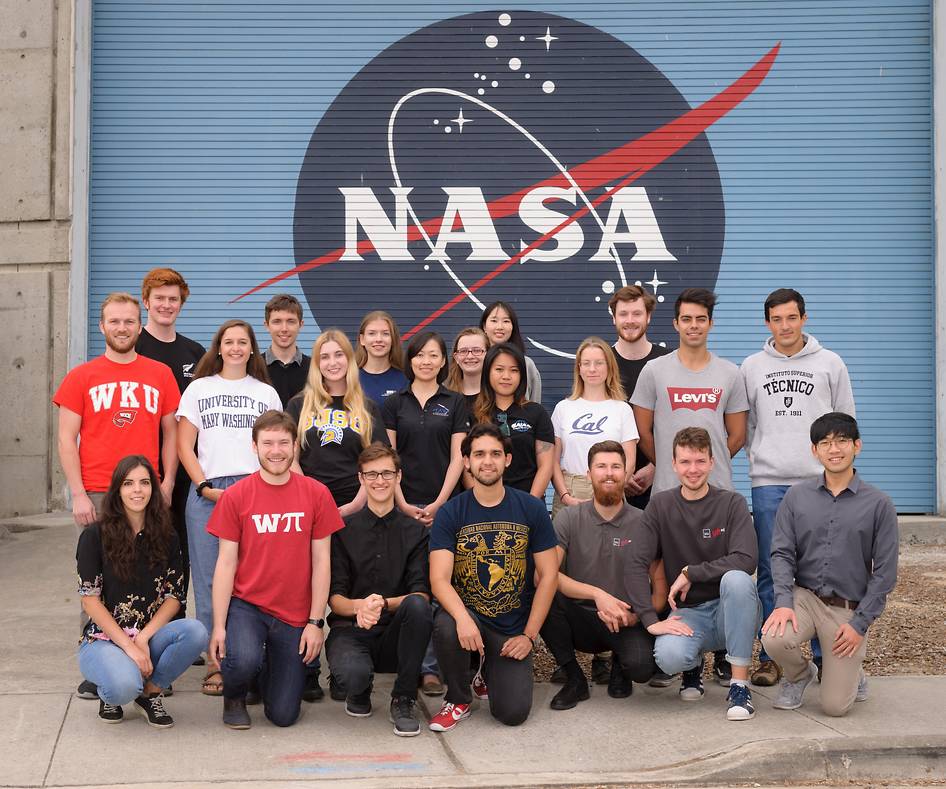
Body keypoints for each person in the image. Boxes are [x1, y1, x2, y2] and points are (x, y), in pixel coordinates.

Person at [631, 287, 749, 685]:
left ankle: (724, 655)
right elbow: (642, 429)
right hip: (669, 489)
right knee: (666, 571)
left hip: (716, 491)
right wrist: (671, 466)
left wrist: (706, 467)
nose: (693, 325)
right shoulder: (655, 371)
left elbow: (736, 435)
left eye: (701, 319)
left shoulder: (730, 373)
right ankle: (687, 652)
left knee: (725, 571)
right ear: (676, 322)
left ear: (710, 323)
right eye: (686, 319)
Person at [741, 288, 856, 687]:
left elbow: (845, 423)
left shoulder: (830, 363)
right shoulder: (752, 366)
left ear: (804, 318)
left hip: (819, 483)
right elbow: (748, 425)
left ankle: (826, 657)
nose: (785, 326)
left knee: (825, 571)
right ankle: (770, 654)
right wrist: (761, 458)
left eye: (792, 318)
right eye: (777, 319)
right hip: (770, 483)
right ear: (767, 322)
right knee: (774, 572)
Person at [208, 410, 344, 729]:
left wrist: (315, 622)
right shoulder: (236, 496)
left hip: (293, 613)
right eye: (267, 443)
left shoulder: (316, 493)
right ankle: (236, 693)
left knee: (283, 716)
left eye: (284, 442)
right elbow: (226, 563)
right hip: (248, 605)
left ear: (295, 446)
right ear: (254, 446)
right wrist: (219, 626)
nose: (276, 450)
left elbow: (323, 561)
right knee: (242, 659)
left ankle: (264, 669)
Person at [761, 413, 897, 717]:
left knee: (835, 707)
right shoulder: (797, 497)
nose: (834, 449)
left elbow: (885, 574)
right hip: (805, 598)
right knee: (773, 637)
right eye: (825, 442)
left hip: (846, 609)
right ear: (814, 451)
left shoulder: (879, 504)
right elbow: (781, 553)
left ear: (857, 446)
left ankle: (853, 673)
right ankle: (799, 675)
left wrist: (859, 625)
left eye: (842, 441)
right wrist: (783, 602)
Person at [624, 427, 761, 722]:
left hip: (729, 610)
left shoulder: (731, 503)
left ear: (712, 462)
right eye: (685, 462)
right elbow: (636, 562)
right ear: (673, 465)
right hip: (689, 613)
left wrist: (692, 572)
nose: (693, 469)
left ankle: (739, 686)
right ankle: (692, 667)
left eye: (700, 461)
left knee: (737, 580)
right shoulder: (661, 505)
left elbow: (747, 559)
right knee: (668, 656)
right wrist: (650, 620)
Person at [428, 423, 559, 730]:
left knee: (512, 714)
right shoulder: (451, 512)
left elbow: (550, 575)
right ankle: (458, 698)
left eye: (495, 454)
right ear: (467, 462)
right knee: (446, 623)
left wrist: (528, 636)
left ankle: (485, 672)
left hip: (510, 627)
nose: (488, 461)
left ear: (507, 460)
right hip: (469, 617)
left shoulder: (530, 508)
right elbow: (439, 579)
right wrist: (462, 618)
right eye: (479, 454)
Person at [176, 319, 281, 695]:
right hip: (209, 492)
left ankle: (254, 657)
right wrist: (203, 485)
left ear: (253, 349)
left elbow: (275, 446)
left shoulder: (266, 393)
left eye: (243, 342)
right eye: (229, 342)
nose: (236, 348)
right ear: (218, 347)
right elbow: (184, 445)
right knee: (208, 581)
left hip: (255, 489)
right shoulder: (198, 389)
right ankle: (216, 663)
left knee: (253, 578)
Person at [76, 455, 206, 727]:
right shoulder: (94, 535)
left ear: (153, 489)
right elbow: (90, 601)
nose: (137, 490)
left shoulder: (167, 535)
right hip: (103, 640)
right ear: (117, 490)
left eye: (145, 483)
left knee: (196, 632)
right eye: (129, 483)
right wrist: (129, 647)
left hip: (148, 637)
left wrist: (144, 638)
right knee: (124, 686)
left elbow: (174, 597)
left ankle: (150, 693)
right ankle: (111, 694)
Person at [541, 441, 666, 710]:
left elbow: (660, 590)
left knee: (642, 669)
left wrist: (637, 615)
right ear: (589, 474)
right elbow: (547, 575)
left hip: (624, 618)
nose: (609, 473)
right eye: (601, 466)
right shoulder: (568, 519)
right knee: (541, 595)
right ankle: (574, 678)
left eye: (616, 467)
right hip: (578, 617)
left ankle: (621, 667)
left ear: (626, 473)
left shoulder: (645, 522)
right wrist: (597, 595)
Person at [382, 330, 468, 696]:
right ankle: (404, 663)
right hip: (400, 505)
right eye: (420, 355)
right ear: (410, 359)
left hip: (442, 508)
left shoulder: (456, 402)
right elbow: (389, 459)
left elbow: (457, 459)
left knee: (436, 586)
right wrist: (401, 502)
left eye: (434, 355)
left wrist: (439, 503)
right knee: (406, 586)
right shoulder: (393, 403)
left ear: (443, 361)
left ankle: (431, 669)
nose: (427, 361)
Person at [326, 443, 433, 736]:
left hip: (396, 635)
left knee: (419, 608)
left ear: (399, 477)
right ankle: (358, 688)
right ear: (360, 479)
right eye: (371, 474)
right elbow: (335, 599)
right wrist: (360, 607)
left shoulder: (417, 532)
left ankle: (404, 697)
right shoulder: (342, 530)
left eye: (387, 473)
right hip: (352, 629)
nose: (380, 481)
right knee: (353, 675)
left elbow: (421, 594)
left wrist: (382, 604)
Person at [55, 292, 180, 530]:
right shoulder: (80, 377)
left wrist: (167, 485)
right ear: (102, 326)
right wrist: (78, 494)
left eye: (129, 321)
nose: (122, 328)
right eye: (114, 321)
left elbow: (172, 434)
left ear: (140, 327)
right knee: (98, 566)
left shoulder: (161, 374)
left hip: (145, 490)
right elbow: (66, 440)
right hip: (97, 492)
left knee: (148, 565)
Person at [136, 267, 205, 626]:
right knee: (140, 549)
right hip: (140, 469)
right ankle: (141, 622)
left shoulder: (195, 351)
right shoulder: (132, 346)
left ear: (182, 303)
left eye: (173, 299)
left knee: (178, 551)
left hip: (182, 473)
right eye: (159, 298)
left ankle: (176, 624)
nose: (166, 305)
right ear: (146, 301)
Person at [287, 329, 386, 517]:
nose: (332, 363)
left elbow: (379, 460)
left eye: (339, 355)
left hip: (357, 507)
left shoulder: (367, 407)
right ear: (317, 364)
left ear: (349, 359)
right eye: (324, 357)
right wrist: (309, 497)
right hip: (310, 504)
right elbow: (290, 457)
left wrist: (357, 504)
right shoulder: (299, 404)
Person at [551, 336, 638, 519]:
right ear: (579, 368)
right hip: (571, 488)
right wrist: (565, 496)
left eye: (599, 363)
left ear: (609, 367)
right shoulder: (563, 408)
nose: (592, 369)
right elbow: (552, 460)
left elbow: (629, 460)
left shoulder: (622, 409)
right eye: (586, 363)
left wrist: (612, 488)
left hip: (610, 487)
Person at [609, 285, 670, 510]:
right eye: (623, 314)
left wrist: (657, 467)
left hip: (662, 482)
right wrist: (618, 475)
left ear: (649, 316)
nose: (630, 320)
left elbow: (679, 422)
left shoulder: (668, 362)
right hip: (610, 483)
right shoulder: (602, 363)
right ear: (614, 318)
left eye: (637, 313)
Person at [471, 342, 554, 498]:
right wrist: (480, 500)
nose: (506, 376)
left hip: (528, 503)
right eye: (499, 369)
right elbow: (465, 464)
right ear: (487, 372)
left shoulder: (536, 413)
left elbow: (546, 465)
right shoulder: (472, 412)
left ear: (522, 375)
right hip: (482, 504)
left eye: (514, 370)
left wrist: (530, 503)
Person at [479, 301, 542, 404]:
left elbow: (535, 403)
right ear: (484, 326)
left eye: (506, 321)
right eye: (494, 320)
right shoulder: (475, 362)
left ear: (513, 327)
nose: (500, 327)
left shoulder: (527, 364)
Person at [262, 294, 311, 409]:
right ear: (267, 325)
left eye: (291, 321)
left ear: (301, 325)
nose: (284, 329)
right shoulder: (254, 367)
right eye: (277, 321)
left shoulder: (315, 369)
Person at [356, 310, 408, 405]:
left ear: (393, 339)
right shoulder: (350, 378)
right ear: (362, 339)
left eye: (385, 334)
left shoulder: (406, 380)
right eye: (372, 333)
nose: (379, 339)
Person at [445, 327, 489, 408]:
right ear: (456, 357)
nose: (470, 356)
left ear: (488, 354)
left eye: (477, 350)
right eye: (463, 351)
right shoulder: (444, 397)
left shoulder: (498, 396)